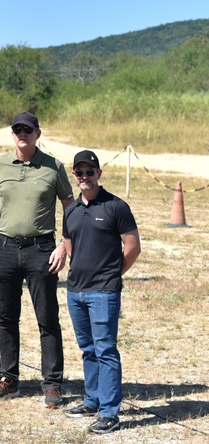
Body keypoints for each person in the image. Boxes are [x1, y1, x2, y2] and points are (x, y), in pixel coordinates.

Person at [0, 111, 74, 407]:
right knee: (7, 318)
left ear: (37, 133)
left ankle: (52, 384)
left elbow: (69, 206)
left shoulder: (53, 167)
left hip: (41, 250)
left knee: (47, 318)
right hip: (6, 248)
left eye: (27, 129)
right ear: (13, 134)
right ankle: (8, 379)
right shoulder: (0, 164)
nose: (22, 134)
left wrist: (64, 245)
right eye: (17, 129)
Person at [62, 150, 141, 435]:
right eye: (79, 173)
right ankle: (92, 400)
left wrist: (112, 274)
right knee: (88, 350)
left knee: (106, 350)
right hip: (76, 291)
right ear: (74, 176)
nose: (85, 177)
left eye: (89, 172)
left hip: (104, 293)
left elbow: (132, 247)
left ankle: (109, 413)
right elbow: (68, 242)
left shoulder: (115, 206)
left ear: (99, 173)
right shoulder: (70, 209)